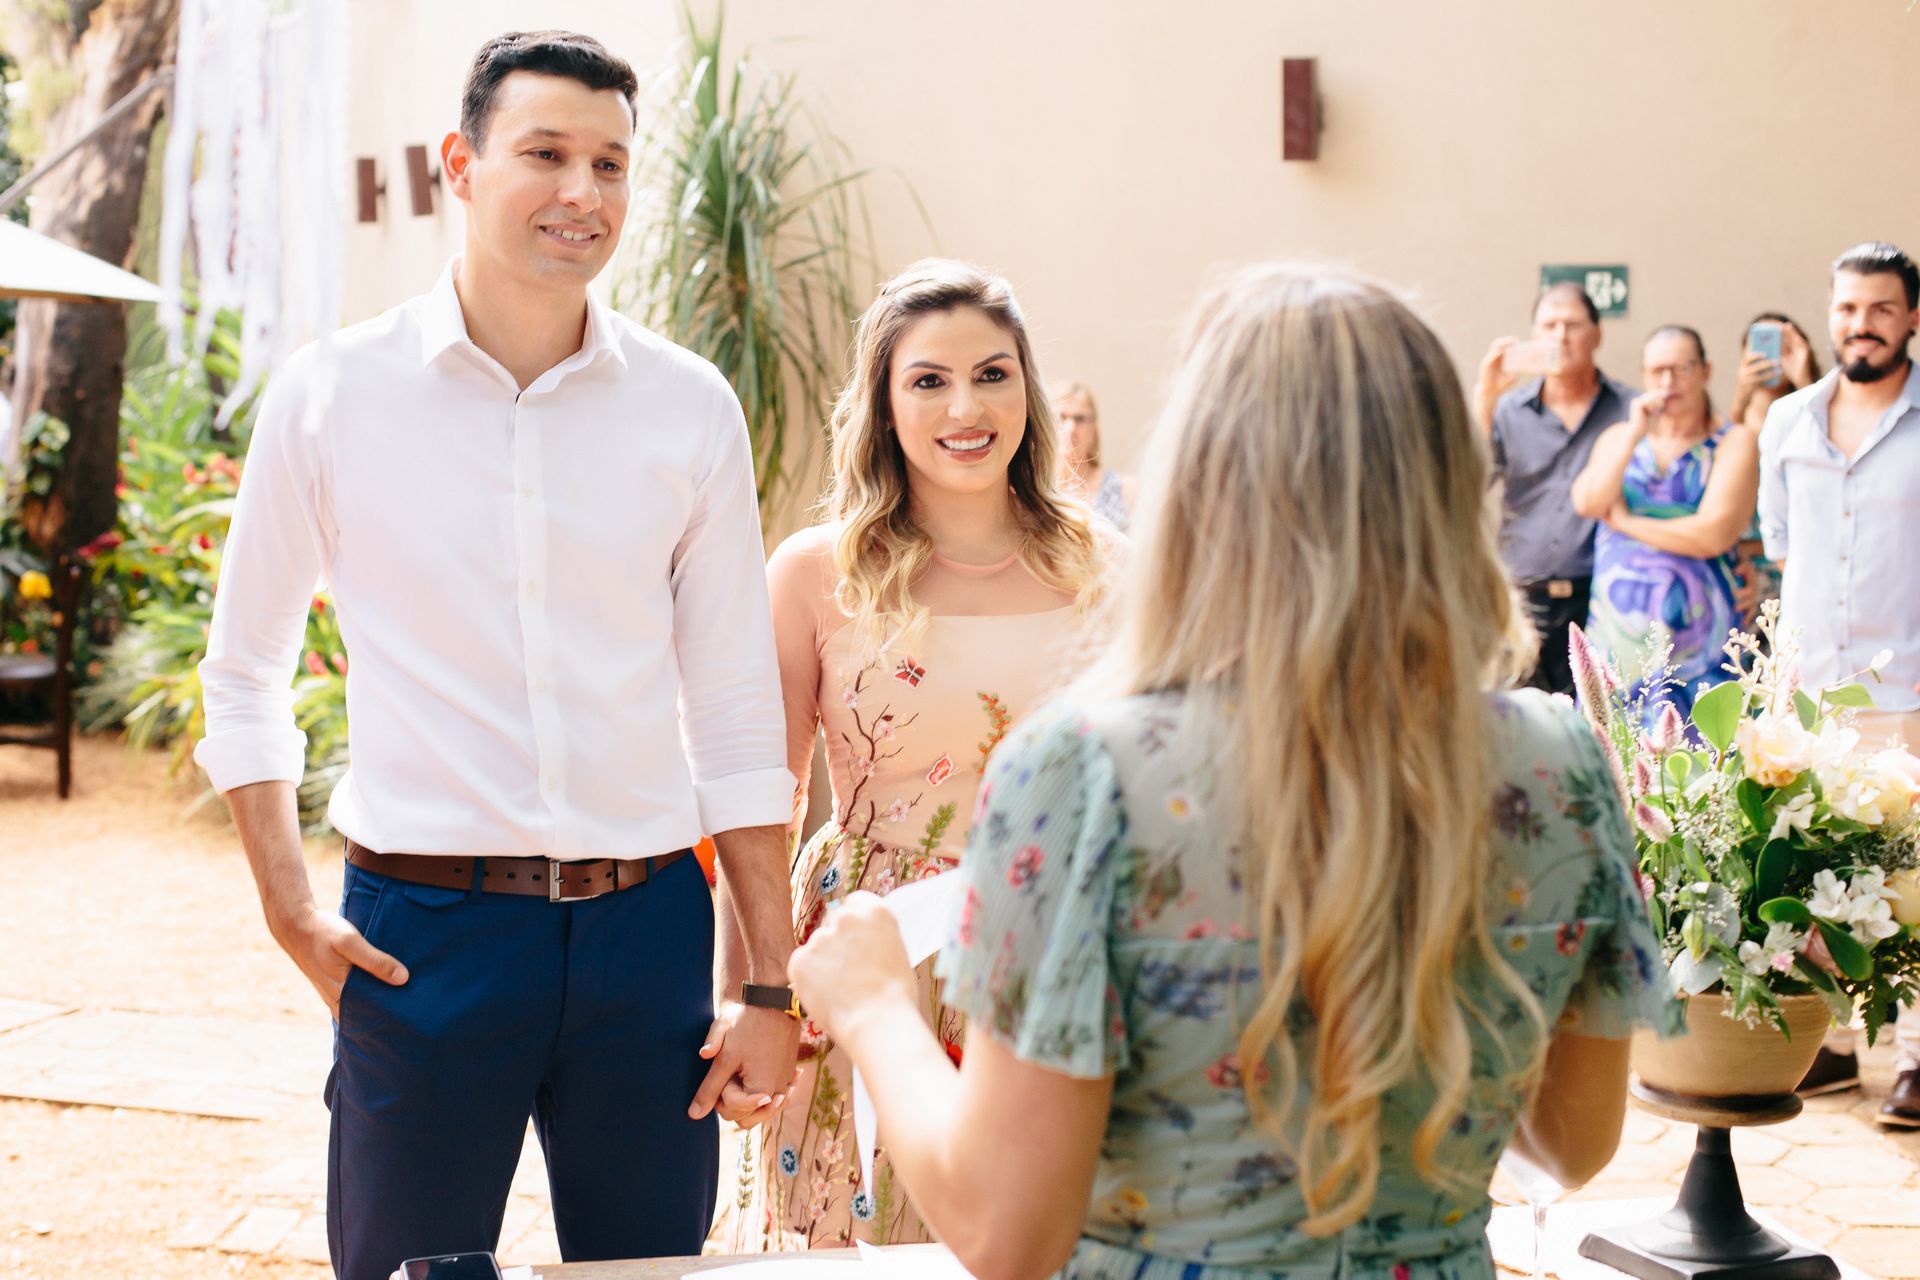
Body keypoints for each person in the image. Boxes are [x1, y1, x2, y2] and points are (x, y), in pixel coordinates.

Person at [787, 263, 1678, 1279]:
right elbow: (1568, 1144)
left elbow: (1004, 1231)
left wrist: (869, 1005)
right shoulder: (1558, 761)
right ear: (1442, 477)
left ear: (1201, 478)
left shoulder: (1084, 771)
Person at [193, 33, 801, 1278]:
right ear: (458, 165)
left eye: (612, 164)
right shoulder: (329, 394)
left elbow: (735, 711)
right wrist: (289, 908)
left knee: (649, 1272)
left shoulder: (690, 410)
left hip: (647, 943)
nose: (584, 192)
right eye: (547, 154)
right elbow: (244, 670)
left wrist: (772, 986)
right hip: (424, 935)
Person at [722, 259, 1120, 1250]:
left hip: (1060, 949)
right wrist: (757, 992)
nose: (966, 404)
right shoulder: (815, 573)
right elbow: (759, 806)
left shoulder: (1112, 567)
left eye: (992, 372)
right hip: (873, 956)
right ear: (885, 406)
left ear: (1027, 386)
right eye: (929, 380)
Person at [1757, 241, 1920, 1124]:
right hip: (1814, 694)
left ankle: (1917, 1061)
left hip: (1912, 694)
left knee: (1915, 877)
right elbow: (1782, 548)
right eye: (1850, 309)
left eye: (1881, 310)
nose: (1862, 326)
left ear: (1912, 318)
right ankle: (1831, 1047)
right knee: (1822, 865)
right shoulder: (1787, 422)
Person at [1570, 326, 1755, 726]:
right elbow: (1587, 501)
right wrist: (1635, 430)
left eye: (1680, 369)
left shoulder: (1732, 442)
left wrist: (1625, 522)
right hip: (1619, 646)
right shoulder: (1619, 438)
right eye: (1656, 372)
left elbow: (1712, 535)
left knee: (1705, 773)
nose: (1667, 383)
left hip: (1702, 648)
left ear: (1705, 370)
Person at [1474, 283, 1636, 694]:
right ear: (1534, 335)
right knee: (1521, 730)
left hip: (1602, 599)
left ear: (1597, 335)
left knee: (1601, 731)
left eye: (1573, 325)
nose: (1561, 336)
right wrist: (1486, 396)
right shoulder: (1508, 411)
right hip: (1522, 600)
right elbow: (1469, 479)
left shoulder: (1630, 411)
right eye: (1549, 325)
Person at [1728, 313, 1820, 624]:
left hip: (1799, 565)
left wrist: (1806, 381)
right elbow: (1718, 472)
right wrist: (1740, 398)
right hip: (1741, 573)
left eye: (1782, 348)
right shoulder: (1735, 423)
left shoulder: (1815, 413)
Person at [1053, 380, 1135, 531]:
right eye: (1061, 417)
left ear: (1093, 431)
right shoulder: (1033, 491)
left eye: (1080, 419)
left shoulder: (1126, 490)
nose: (1070, 428)